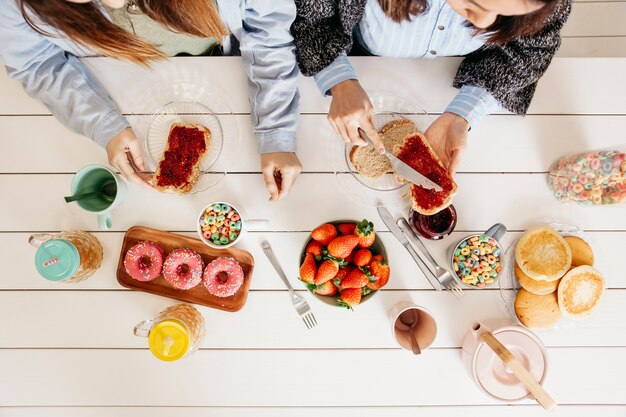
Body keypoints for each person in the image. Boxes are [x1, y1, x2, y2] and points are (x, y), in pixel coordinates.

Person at [0, 0, 302, 200]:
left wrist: (276, 131)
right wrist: (104, 124)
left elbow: (268, 29)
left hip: (227, 64)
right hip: (122, 95)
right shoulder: (13, 8)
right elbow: (37, 64)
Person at [291, 0, 572, 175]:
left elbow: (531, 53)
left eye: (502, 15)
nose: (484, 23)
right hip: (360, 56)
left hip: (453, 78)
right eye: (473, 4)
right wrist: (339, 80)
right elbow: (313, 18)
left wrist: (462, 115)